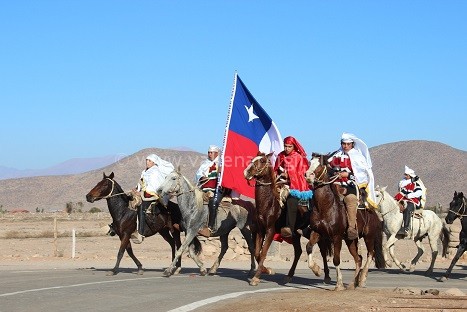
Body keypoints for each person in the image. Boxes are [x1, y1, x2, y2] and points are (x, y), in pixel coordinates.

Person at [327, 132, 376, 240]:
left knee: (351, 199)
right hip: (334, 183)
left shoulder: (358, 157)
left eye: (348, 144)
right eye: (343, 144)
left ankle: (351, 228)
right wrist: (334, 173)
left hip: (350, 184)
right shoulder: (335, 155)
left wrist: (348, 174)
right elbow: (327, 167)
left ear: (352, 144)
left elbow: (362, 174)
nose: (345, 146)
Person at [274, 136, 313, 238]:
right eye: (285, 146)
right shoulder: (280, 156)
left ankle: (289, 227)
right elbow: (275, 169)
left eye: (289, 146)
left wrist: (289, 175)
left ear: (294, 147)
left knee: (291, 200)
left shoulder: (299, 157)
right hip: (279, 183)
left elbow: (302, 174)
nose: (287, 148)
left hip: (294, 186)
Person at [132, 153, 175, 244]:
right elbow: (142, 183)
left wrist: (141, 192)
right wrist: (136, 189)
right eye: (146, 160)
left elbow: (154, 186)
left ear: (154, 162)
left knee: (141, 207)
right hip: (143, 194)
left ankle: (141, 232)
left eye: (149, 161)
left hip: (152, 195)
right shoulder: (145, 171)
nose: (147, 162)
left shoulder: (155, 172)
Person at [195, 145, 223, 235]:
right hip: (204, 187)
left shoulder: (222, 162)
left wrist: (221, 172)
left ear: (216, 153)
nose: (209, 154)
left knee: (213, 203)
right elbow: (198, 173)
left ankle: (210, 228)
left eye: (211, 153)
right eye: (208, 152)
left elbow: (226, 175)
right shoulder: (205, 163)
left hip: (218, 188)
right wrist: (201, 177)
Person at [394, 165, 425, 236]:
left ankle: (406, 228)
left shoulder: (416, 184)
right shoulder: (405, 183)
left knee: (407, 209)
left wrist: (409, 195)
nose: (405, 176)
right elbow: (401, 185)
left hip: (412, 201)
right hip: (403, 200)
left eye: (406, 175)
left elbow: (419, 192)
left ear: (410, 175)